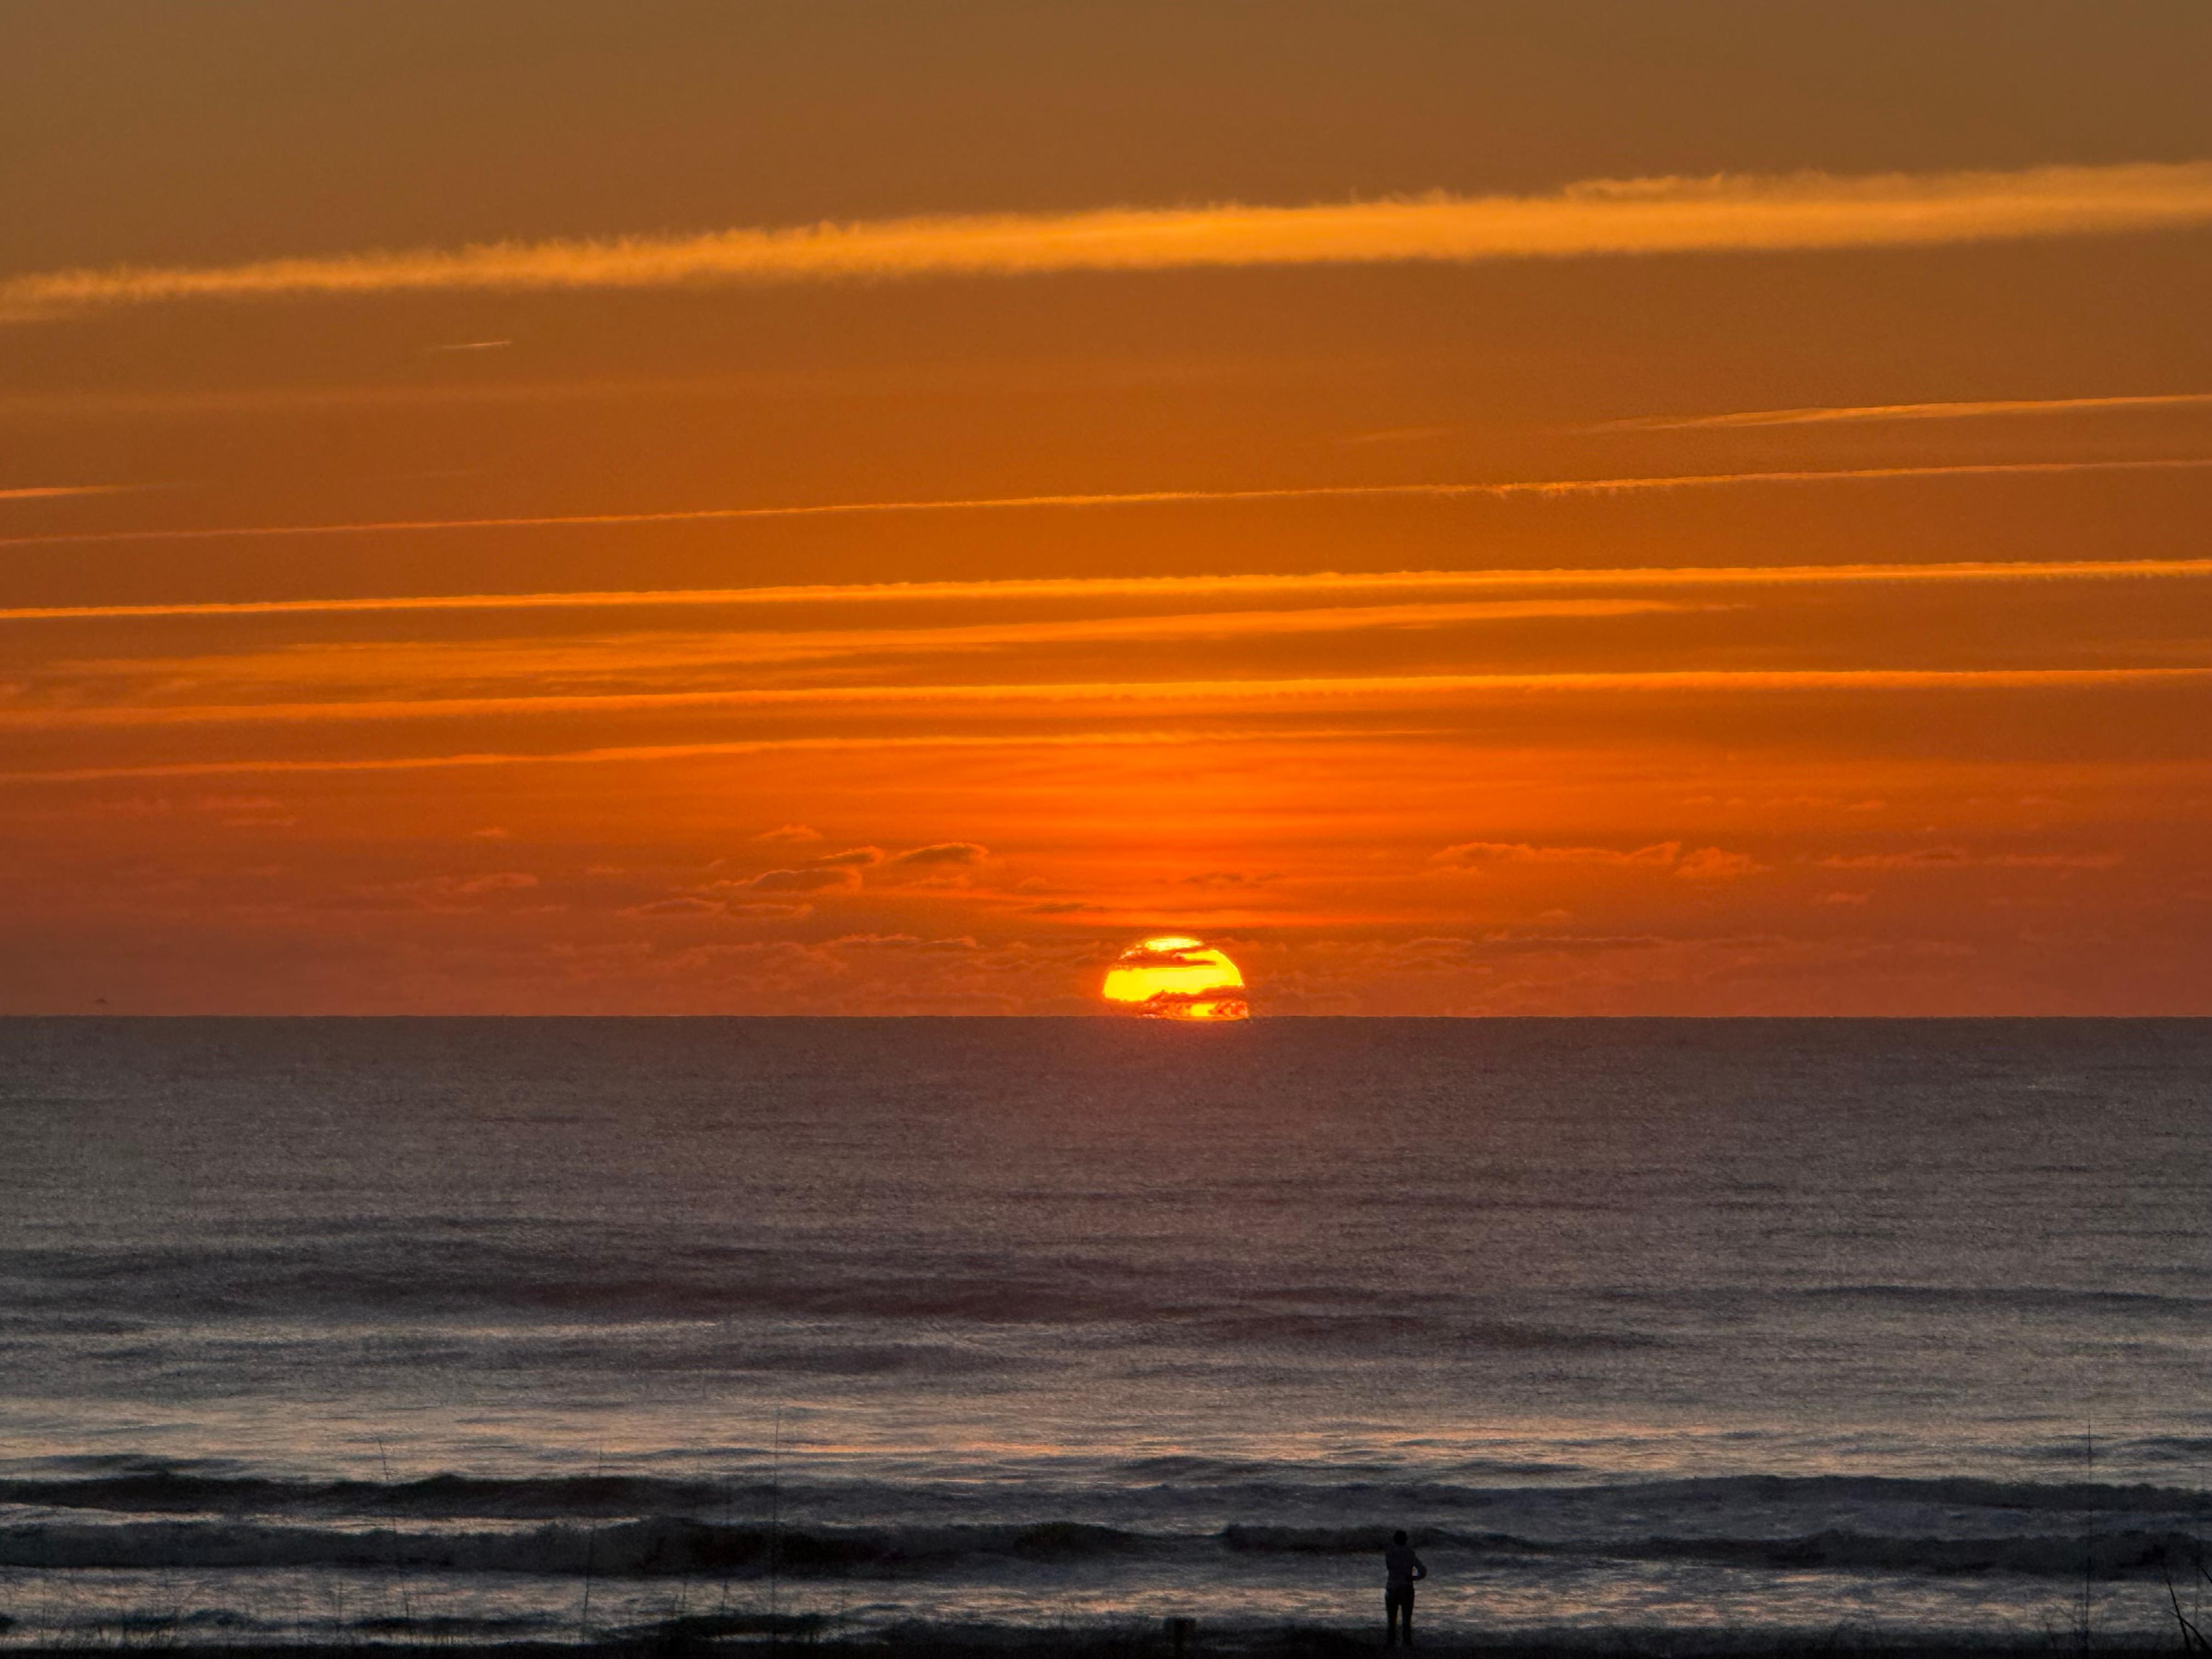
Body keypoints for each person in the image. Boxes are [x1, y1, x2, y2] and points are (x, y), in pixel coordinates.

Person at [1383, 1528, 1427, 1646]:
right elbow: (1423, 1571)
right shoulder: (1410, 1553)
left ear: (1395, 1540)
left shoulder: (1390, 1553)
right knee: (1406, 1621)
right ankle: (1407, 1644)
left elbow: (1389, 1567)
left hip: (1392, 1588)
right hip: (1407, 1589)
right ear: (1406, 1540)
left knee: (1391, 1621)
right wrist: (1413, 1578)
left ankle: (1391, 1644)